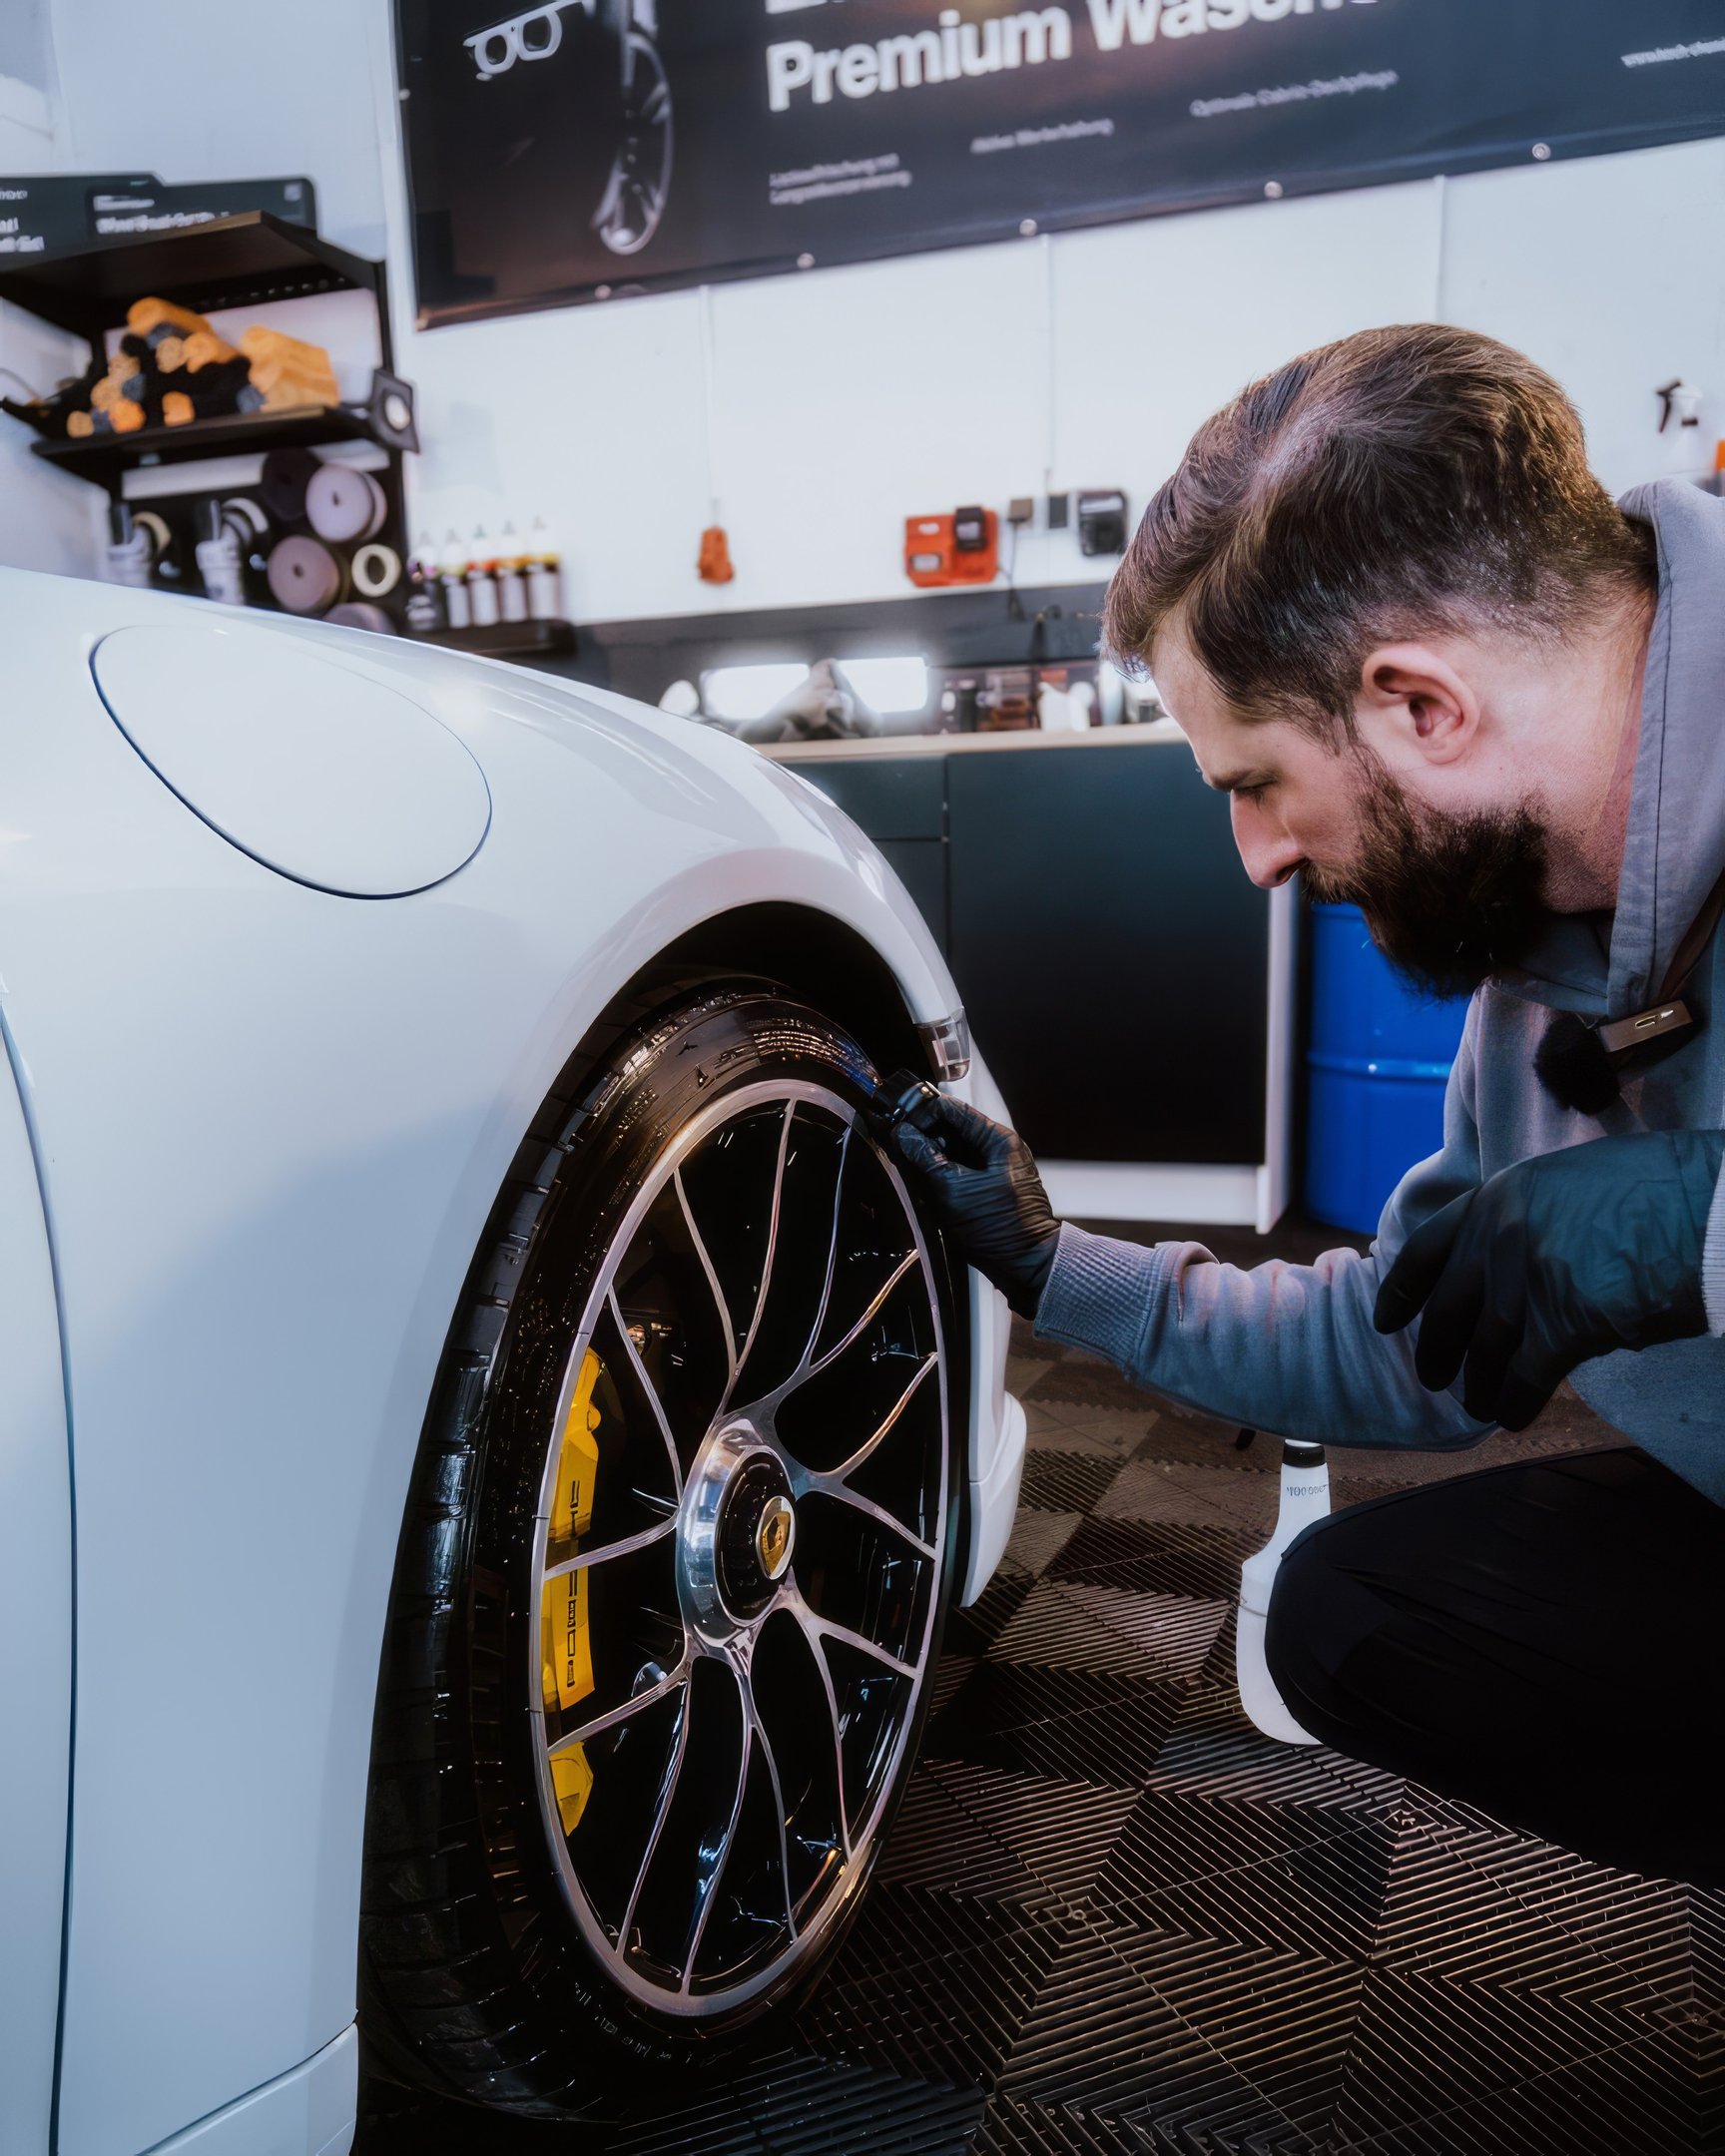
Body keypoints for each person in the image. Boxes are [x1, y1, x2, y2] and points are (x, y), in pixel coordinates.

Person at [885, 324, 1725, 1886]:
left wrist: (1711, 1225)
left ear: (1419, 706)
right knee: (1358, 1613)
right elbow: (1412, 1341)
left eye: (1255, 784)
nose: (1261, 860)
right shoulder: (1539, 972)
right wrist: (1059, 1267)